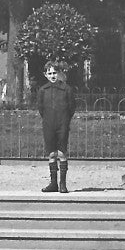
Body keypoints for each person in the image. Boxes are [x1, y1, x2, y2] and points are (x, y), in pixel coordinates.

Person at [34, 63, 78, 193]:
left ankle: (62, 184)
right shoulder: (43, 90)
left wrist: (65, 120)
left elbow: (72, 107)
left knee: (61, 152)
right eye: (50, 73)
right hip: (48, 124)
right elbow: (41, 108)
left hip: (62, 124)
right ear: (45, 75)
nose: (52, 76)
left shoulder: (66, 89)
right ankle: (53, 183)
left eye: (54, 73)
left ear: (58, 73)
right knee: (51, 153)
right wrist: (48, 119)